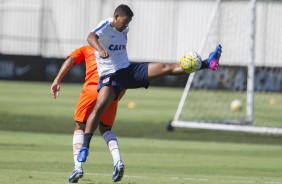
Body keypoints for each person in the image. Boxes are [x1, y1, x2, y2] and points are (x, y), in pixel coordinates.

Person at [78, 4, 222, 182]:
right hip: (110, 75)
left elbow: (121, 42)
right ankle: (85, 146)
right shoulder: (106, 25)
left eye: (129, 22)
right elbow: (90, 36)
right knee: (99, 107)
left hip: (128, 71)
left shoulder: (125, 27)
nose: (126, 26)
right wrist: (100, 49)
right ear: (116, 17)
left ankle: (209, 63)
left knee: (165, 68)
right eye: (124, 22)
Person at [50, 45, 124, 183]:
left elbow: (71, 60)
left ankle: (78, 167)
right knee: (106, 129)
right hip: (111, 91)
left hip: (92, 89)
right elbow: (125, 74)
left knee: (79, 127)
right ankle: (117, 161)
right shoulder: (116, 49)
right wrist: (118, 95)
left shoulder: (86, 49)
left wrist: (57, 80)